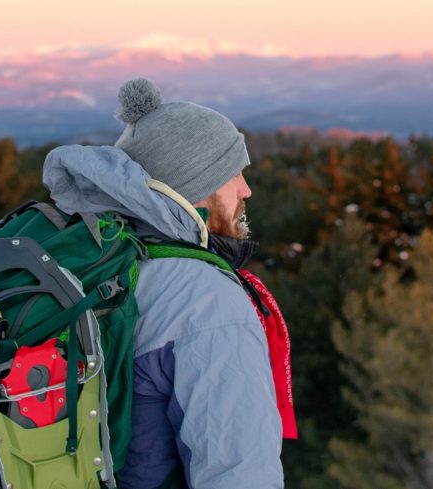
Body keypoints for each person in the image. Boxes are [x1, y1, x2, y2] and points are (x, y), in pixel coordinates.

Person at [41, 77, 284, 488]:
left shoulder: (84, 259)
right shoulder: (205, 300)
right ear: (194, 187)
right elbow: (239, 471)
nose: (247, 188)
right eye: (232, 173)